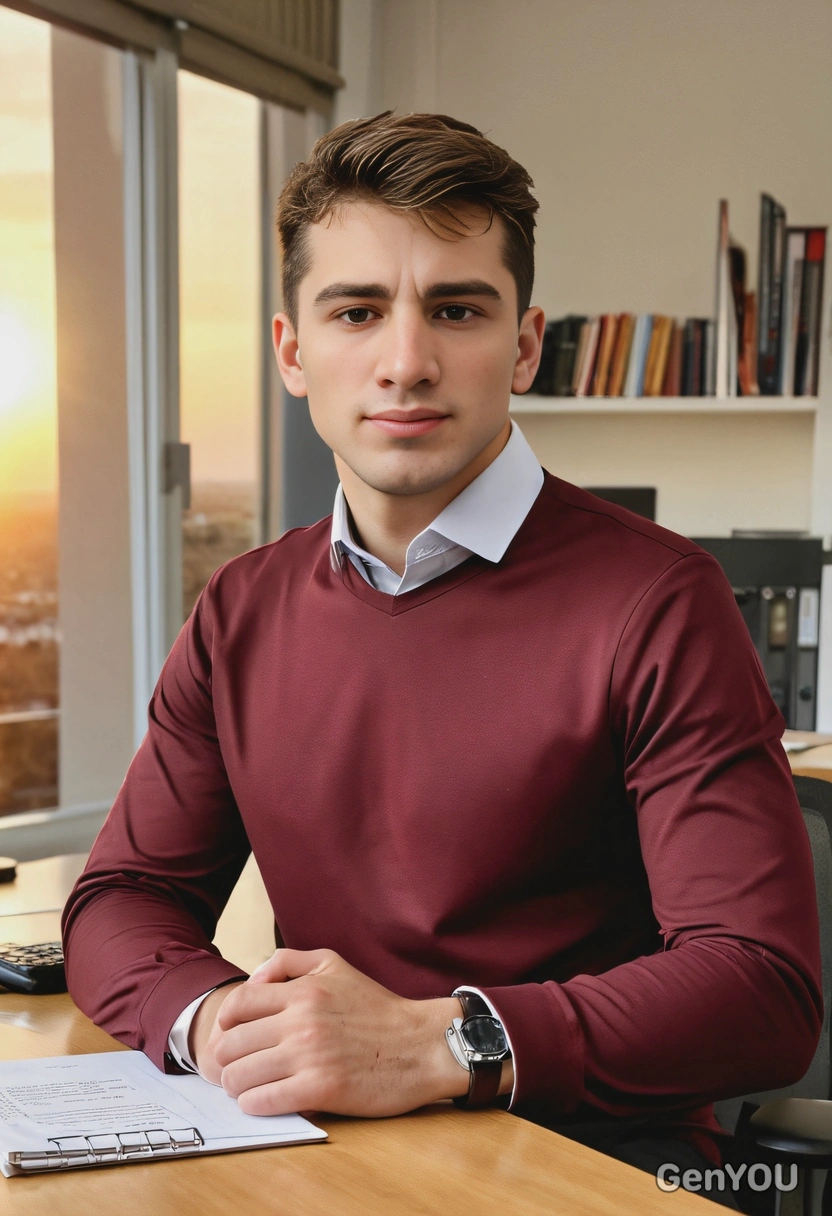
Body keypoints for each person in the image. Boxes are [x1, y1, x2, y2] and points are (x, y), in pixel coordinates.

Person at [63, 111, 821, 1190]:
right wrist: (220, 1015)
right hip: (321, 1149)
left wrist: (438, 1044)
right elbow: (125, 895)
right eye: (356, 311)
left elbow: (761, 991)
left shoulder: (659, 599)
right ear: (293, 351)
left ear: (522, 344)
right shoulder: (239, 608)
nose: (405, 361)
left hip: (589, 1155)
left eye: (455, 309)